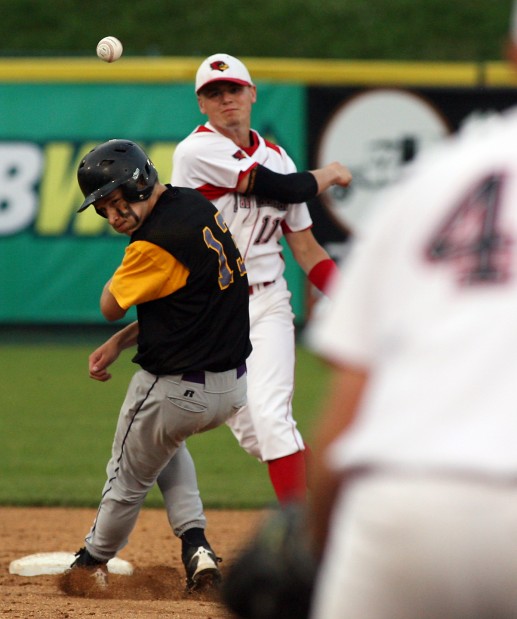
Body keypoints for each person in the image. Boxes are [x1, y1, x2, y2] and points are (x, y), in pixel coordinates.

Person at [306, 9, 517, 617]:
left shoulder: (433, 179)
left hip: (402, 509)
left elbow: (343, 421)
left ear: (509, 52)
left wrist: (321, 559)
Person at [67, 139, 251, 592]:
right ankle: (197, 546)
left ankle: (90, 561)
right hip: (231, 390)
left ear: (142, 181)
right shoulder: (192, 203)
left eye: (118, 198)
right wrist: (120, 341)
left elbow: (110, 304)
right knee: (166, 444)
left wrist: (131, 259)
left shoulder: (152, 244)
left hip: (176, 391)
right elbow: (181, 298)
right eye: (103, 207)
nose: (114, 214)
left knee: (126, 476)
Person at [171, 53, 353, 503]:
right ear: (201, 104)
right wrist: (328, 173)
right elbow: (285, 189)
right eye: (213, 93)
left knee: (272, 421)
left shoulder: (278, 157)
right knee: (260, 437)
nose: (226, 99)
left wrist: (353, 301)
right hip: (212, 313)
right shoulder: (196, 151)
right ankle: (343, 506)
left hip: (267, 303)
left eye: (233, 89)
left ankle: (300, 544)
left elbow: (307, 250)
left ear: (252, 93)